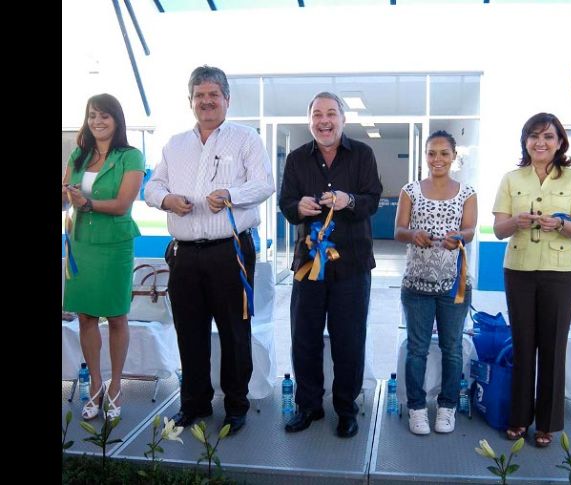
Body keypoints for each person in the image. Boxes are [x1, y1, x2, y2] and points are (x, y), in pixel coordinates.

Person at [144, 65, 275, 435]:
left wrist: (232, 195)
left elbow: (264, 184)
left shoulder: (246, 139)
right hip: (184, 253)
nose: (206, 101)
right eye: (199, 95)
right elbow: (152, 188)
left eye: (213, 94)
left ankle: (236, 406)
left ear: (226, 100)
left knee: (235, 330)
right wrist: (167, 199)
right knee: (189, 330)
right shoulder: (174, 145)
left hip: (229, 251)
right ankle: (194, 404)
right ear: (191, 102)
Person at [279, 92, 382, 438]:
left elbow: (372, 198)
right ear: (310, 121)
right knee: (304, 337)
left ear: (342, 119)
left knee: (349, 341)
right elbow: (285, 202)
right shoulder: (296, 159)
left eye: (331, 114)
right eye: (317, 115)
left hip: (351, 266)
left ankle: (346, 409)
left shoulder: (363, 155)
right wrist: (299, 207)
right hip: (308, 265)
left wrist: (347, 200)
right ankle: (308, 406)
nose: (324, 121)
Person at [492, 113, 571, 448]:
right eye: (534, 136)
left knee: (553, 348)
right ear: (525, 141)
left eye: (548, 136)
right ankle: (519, 418)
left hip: (560, 273)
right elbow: (498, 230)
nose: (541, 142)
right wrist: (517, 222)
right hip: (518, 269)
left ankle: (548, 423)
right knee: (523, 345)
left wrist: (560, 225)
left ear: (560, 142)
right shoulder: (511, 178)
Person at [62, 93, 146, 421]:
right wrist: (69, 196)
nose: (97, 121)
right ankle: (96, 385)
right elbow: (66, 193)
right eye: (92, 115)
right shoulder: (79, 155)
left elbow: (123, 204)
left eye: (105, 116)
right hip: (82, 243)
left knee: (116, 316)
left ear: (116, 120)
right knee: (85, 316)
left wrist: (88, 203)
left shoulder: (131, 156)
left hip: (114, 245)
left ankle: (116, 386)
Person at [394, 130, 477, 435]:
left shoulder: (467, 192)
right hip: (416, 285)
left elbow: (469, 230)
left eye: (444, 153)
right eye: (432, 153)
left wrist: (460, 238)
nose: (437, 159)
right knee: (417, 349)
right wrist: (412, 234)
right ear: (425, 156)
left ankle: (447, 407)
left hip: (454, 287)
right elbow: (399, 230)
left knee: (452, 349)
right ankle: (416, 408)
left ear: (454, 156)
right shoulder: (410, 191)